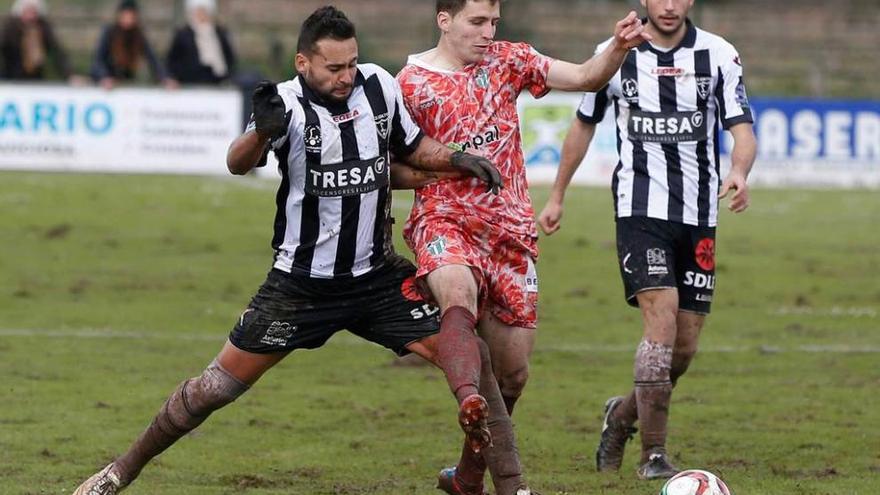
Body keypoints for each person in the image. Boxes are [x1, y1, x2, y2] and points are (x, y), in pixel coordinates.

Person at [71, 6, 535, 495]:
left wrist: (457, 158)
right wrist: (260, 132)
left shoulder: (378, 85)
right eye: (334, 68)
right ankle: (120, 471)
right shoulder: (286, 105)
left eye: (351, 64)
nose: (345, 76)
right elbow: (237, 163)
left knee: (473, 357)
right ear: (303, 63)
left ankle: (506, 484)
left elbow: (414, 147)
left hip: (377, 279)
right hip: (300, 287)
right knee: (214, 389)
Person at [394, 1, 651, 493]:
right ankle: (475, 409)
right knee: (457, 297)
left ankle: (468, 477)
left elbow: (584, 77)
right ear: (444, 20)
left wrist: (617, 46)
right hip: (443, 221)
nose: (488, 32)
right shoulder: (408, 83)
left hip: (510, 234)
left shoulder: (508, 60)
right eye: (476, 22)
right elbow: (391, 166)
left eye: (493, 22)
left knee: (512, 377)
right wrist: (450, 167)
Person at [537, 0, 757, 481]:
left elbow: (742, 128)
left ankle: (620, 417)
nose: (670, 5)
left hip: (699, 216)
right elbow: (583, 123)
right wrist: (557, 195)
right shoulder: (616, 52)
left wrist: (739, 171)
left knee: (682, 350)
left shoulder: (719, 55)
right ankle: (654, 455)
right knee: (660, 323)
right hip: (639, 211)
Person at [90, 0, 176, 89]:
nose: (128, 19)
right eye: (125, 15)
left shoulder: (138, 35)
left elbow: (153, 59)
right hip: (105, 82)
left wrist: (165, 78)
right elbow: (97, 61)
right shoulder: (109, 33)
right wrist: (104, 77)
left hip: (124, 82)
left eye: (131, 16)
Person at [166, 0, 236, 85]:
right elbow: (173, 59)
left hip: (216, 80)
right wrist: (173, 77)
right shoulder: (183, 34)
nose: (201, 15)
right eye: (198, 11)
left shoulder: (219, 32)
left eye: (204, 11)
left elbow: (229, 57)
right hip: (189, 81)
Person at [0, 0, 73, 81]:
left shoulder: (43, 27)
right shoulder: (10, 28)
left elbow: (57, 52)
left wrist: (69, 75)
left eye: (33, 12)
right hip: (10, 76)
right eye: (27, 11)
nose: (31, 16)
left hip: (36, 77)